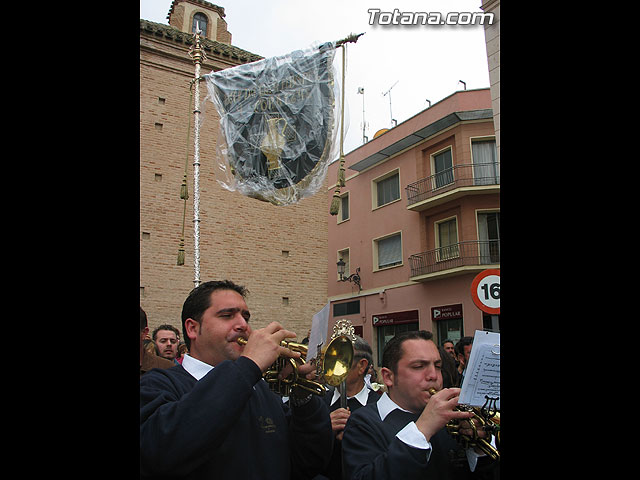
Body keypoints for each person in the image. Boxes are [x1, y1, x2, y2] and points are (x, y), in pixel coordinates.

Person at [140, 280, 333, 479]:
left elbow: (307, 463)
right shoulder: (158, 383)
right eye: (227, 315)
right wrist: (248, 365)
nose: (243, 325)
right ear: (192, 328)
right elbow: (162, 453)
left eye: (245, 317)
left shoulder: (260, 388)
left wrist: (303, 398)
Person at [341, 330, 499, 480]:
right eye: (418, 367)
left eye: (437, 366)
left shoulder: (451, 420)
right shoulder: (362, 422)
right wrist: (423, 429)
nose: (433, 376)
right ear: (388, 377)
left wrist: (478, 450)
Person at [313, 336, 380, 480]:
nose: (329, 366)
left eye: (338, 359)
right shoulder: (318, 403)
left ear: (362, 366)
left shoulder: (380, 406)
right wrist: (325, 430)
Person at [140, 307, 175, 377]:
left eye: (173, 341)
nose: (169, 344)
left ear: (144, 333)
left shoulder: (167, 369)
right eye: (163, 341)